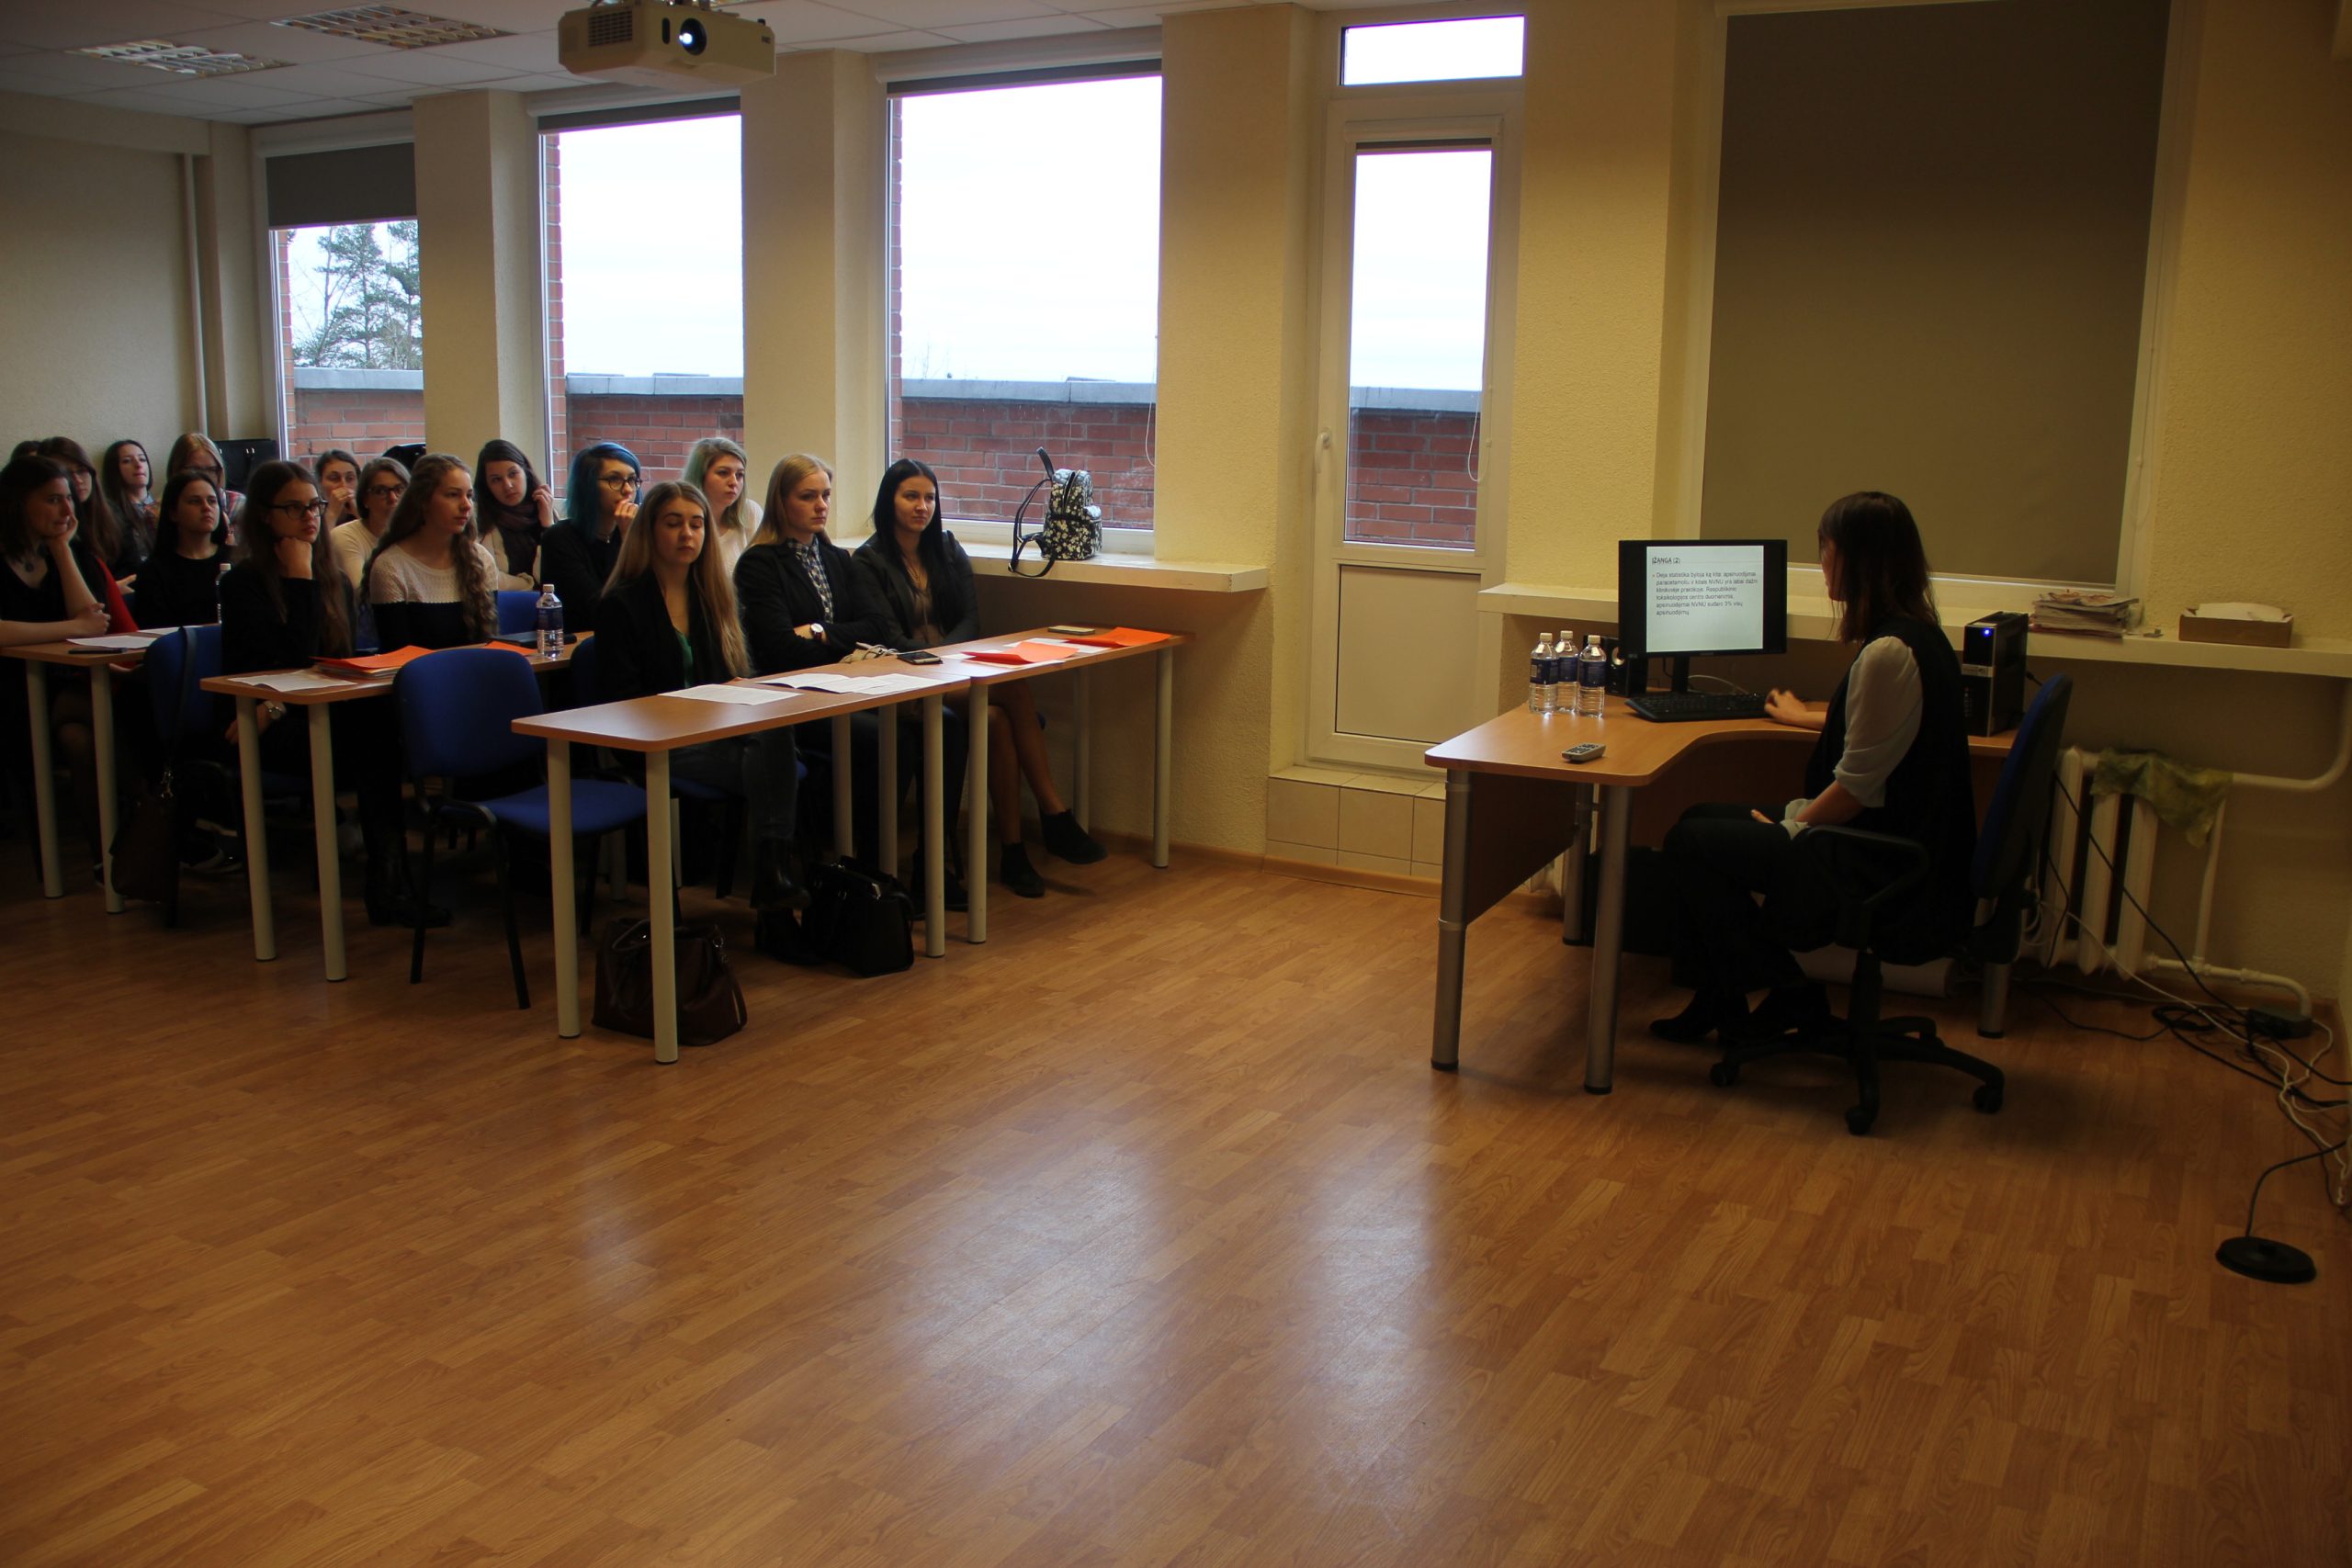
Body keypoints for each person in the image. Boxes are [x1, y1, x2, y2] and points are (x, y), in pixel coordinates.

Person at [1653, 491, 1975, 1045]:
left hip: (1872, 857)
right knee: (1699, 816)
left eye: (1826, 549)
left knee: (1689, 843)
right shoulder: (1918, 636)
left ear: (1858, 558)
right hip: (1896, 840)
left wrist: (1790, 828)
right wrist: (1806, 717)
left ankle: (1785, 989)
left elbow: (1853, 790)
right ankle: (1720, 996)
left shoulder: (1887, 654)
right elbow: (1880, 730)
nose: (1823, 562)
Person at [853, 457, 1103, 897]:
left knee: (996, 721)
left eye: (929, 498)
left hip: (955, 672)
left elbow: (971, 619)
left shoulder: (947, 549)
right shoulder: (868, 561)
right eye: (911, 496)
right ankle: (1053, 814)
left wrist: (951, 661)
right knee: (1014, 687)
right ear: (888, 499)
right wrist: (944, 663)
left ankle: (1014, 854)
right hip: (905, 680)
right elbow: (887, 636)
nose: (922, 507)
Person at [219, 458, 441, 927]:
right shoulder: (242, 584)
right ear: (265, 516)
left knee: (381, 732)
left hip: (311, 711)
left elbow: (332, 660)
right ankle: (388, 884)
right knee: (373, 745)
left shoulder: (332, 579)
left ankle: (391, 880)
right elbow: (286, 664)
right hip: (260, 722)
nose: (309, 517)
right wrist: (300, 581)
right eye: (294, 508)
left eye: (314, 506)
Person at [596, 479, 802, 910]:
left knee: (773, 735)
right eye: (673, 524)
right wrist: (707, 700)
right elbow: (623, 702)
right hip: (654, 741)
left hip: (714, 733)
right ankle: (773, 874)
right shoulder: (623, 604)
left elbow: (730, 678)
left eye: (696, 524)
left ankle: (772, 875)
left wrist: (738, 691)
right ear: (650, 530)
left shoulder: (712, 595)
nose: (687, 534)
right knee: (772, 759)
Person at [735, 454, 908, 866]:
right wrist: (846, 647)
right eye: (807, 496)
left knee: (925, 726)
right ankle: (867, 861)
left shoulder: (835, 558)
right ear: (781, 501)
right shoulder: (760, 563)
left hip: (843, 687)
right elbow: (779, 650)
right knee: (887, 738)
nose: (821, 506)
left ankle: (889, 856)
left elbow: (877, 627)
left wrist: (819, 631)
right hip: (790, 699)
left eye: (826, 495)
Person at [1, 454, 120, 861]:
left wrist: (62, 551)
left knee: (79, 738)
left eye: (69, 498)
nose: (68, 510)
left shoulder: (71, 552)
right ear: (18, 503)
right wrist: (70, 628)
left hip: (58, 686)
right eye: (53, 500)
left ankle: (109, 858)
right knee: (114, 715)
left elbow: (93, 621)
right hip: (10, 690)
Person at [363, 453, 496, 650]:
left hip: (474, 668)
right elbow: (397, 655)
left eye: (469, 495)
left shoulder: (481, 559)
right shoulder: (391, 567)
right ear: (423, 500)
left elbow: (490, 645)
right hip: (418, 670)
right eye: (453, 495)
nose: (466, 505)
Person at [537, 441, 638, 617]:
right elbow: (599, 610)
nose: (628, 489)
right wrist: (628, 540)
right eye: (614, 479)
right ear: (588, 486)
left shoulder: (631, 533)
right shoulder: (559, 539)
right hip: (578, 632)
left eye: (632, 479)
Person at [130, 468, 229, 628]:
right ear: (173, 513)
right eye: (195, 501)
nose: (206, 507)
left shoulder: (238, 559)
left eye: (212, 501)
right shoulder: (154, 571)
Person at [36, 436, 130, 585]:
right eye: (66, 474)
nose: (78, 480)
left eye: (81, 470)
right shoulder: (50, 522)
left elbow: (131, 564)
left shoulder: (112, 512)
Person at [475, 439, 553, 591]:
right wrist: (529, 585)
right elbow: (489, 579)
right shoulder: (481, 522)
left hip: (549, 603)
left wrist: (548, 526)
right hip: (502, 604)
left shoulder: (545, 509)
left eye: (513, 474)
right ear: (487, 486)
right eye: (496, 480)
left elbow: (555, 574)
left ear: (526, 472)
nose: (508, 485)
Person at [682, 436, 760, 577]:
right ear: (700, 476)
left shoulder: (750, 512)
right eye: (723, 473)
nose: (734, 482)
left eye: (740, 475)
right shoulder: (682, 518)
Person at [329, 457, 407, 593]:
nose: (393, 498)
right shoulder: (345, 536)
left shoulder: (418, 535)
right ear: (365, 499)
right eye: (381, 491)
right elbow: (361, 592)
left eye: (400, 489)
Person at [100, 439, 158, 573]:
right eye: (127, 461)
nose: (138, 465)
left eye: (142, 459)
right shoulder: (111, 515)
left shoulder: (164, 506)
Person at [164, 434, 241, 531]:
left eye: (211, 470)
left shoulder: (239, 506)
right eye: (194, 470)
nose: (204, 477)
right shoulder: (154, 514)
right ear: (176, 470)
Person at [315, 448, 362, 530]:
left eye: (350, 478)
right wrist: (332, 514)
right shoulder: (313, 514)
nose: (344, 485)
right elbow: (320, 538)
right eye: (334, 478)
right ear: (319, 484)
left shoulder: (370, 509)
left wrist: (359, 514)